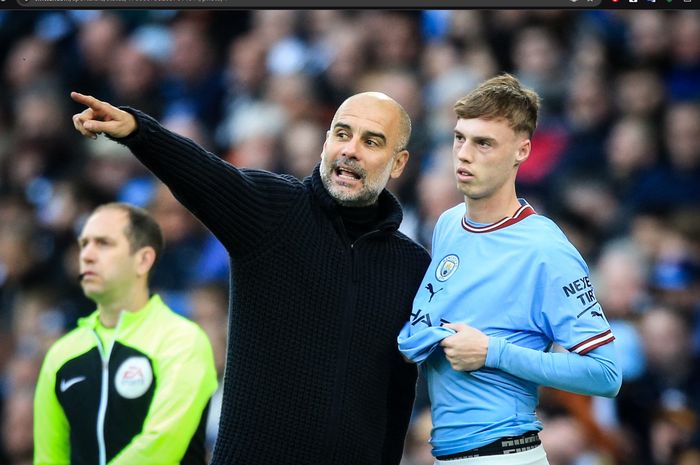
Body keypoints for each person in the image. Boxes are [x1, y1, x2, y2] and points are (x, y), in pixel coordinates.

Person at [70, 90, 431, 465]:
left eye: (371, 141)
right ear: (326, 142)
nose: (350, 149)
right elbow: (203, 175)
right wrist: (136, 130)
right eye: (341, 133)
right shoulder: (275, 211)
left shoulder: (411, 266)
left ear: (399, 162)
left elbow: (397, 395)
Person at [397, 74, 622, 464]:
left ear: (522, 150)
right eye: (459, 138)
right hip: (446, 454)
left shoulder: (545, 249)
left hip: (505, 453)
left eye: (483, 143)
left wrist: (494, 352)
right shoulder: (448, 224)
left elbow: (605, 374)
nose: (464, 154)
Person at [34, 203, 218, 465]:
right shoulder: (61, 353)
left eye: (104, 243)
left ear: (143, 259)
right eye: (84, 244)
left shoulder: (182, 340)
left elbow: (161, 447)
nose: (86, 255)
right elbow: (48, 458)